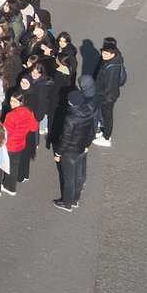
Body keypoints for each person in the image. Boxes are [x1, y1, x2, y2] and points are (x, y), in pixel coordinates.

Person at [54, 80, 97, 211]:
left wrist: (58, 153)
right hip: (80, 148)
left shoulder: (71, 118)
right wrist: (87, 144)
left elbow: (66, 139)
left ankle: (67, 203)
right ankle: (75, 199)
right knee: (78, 176)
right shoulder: (88, 111)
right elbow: (92, 130)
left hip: (69, 151)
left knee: (68, 178)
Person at [2, 90, 38, 194]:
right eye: (11, 101)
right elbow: (34, 127)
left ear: (21, 102)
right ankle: (11, 187)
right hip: (21, 144)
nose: (11, 103)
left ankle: (7, 185)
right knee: (14, 166)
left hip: (10, 145)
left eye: (14, 102)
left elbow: (6, 132)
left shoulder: (11, 115)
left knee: (6, 166)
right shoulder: (28, 112)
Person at [92, 37, 125, 147]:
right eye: (103, 53)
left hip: (107, 96)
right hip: (105, 94)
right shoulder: (112, 60)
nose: (103, 56)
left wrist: (99, 93)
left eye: (106, 54)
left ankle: (106, 137)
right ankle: (104, 132)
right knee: (104, 115)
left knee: (108, 116)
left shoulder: (112, 68)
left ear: (112, 54)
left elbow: (109, 86)